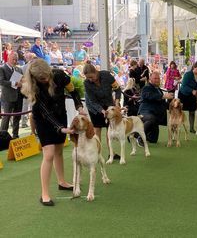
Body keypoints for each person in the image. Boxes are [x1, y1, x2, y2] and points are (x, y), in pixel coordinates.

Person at [21, 59, 84, 206]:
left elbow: (73, 90)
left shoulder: (60, 75)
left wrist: (79, 106)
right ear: (35, 78)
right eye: (42, 78)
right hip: (44, 119)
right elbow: (46, 113)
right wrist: (61, 128)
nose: (46, 79)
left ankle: (62, 182)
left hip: (60, 113)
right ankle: (44, 194)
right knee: (48, 153)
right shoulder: (34, 89)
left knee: (59, 150)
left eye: (47, 76)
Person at [83, 64, 122, 151]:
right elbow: (92, 101)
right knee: (97, 130)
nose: (90, 79)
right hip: (94, 107)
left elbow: (117, 89)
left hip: (108, 104)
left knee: (109, 129)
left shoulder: (107, 75)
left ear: (95, 72)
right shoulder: (86, 83)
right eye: (87, 78)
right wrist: (102, 111)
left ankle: (111, 154)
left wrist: (116, 102)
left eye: (91, 77)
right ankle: (97, 153)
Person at [138, 72, 173, 144]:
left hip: (155, 116)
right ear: (150, 79)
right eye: (155, 78)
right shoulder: (146, 87)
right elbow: (149, 96)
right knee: (151, 119)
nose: (157, 80)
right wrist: (163, 96)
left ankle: (135, 134)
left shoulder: (158, 90)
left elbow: (162, 103)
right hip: (145, 113)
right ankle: (140, 137)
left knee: (153, 140)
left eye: (158, 78)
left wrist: (172, 106)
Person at [0, 52, 24, 138]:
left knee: (17, 117)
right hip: (7, 97)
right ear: (8, 58)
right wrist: (15, 83)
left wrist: (22, 83)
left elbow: (23, 80)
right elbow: (1, 81)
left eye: (16, 59)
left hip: (19, 97)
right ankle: (3, 137)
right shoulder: (2, 69)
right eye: (13, 59)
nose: (15, 61)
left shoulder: (19, 69)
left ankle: (15, 136)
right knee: (6, 118)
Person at [178, 61, 197, 133]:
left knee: (192, 111)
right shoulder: (187, 74)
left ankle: (192, 128)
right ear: (193, 67)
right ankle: (177, 127)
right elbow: (184, 86)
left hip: (193, 95)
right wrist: (192, 90)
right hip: (183, 94)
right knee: (180, 111)